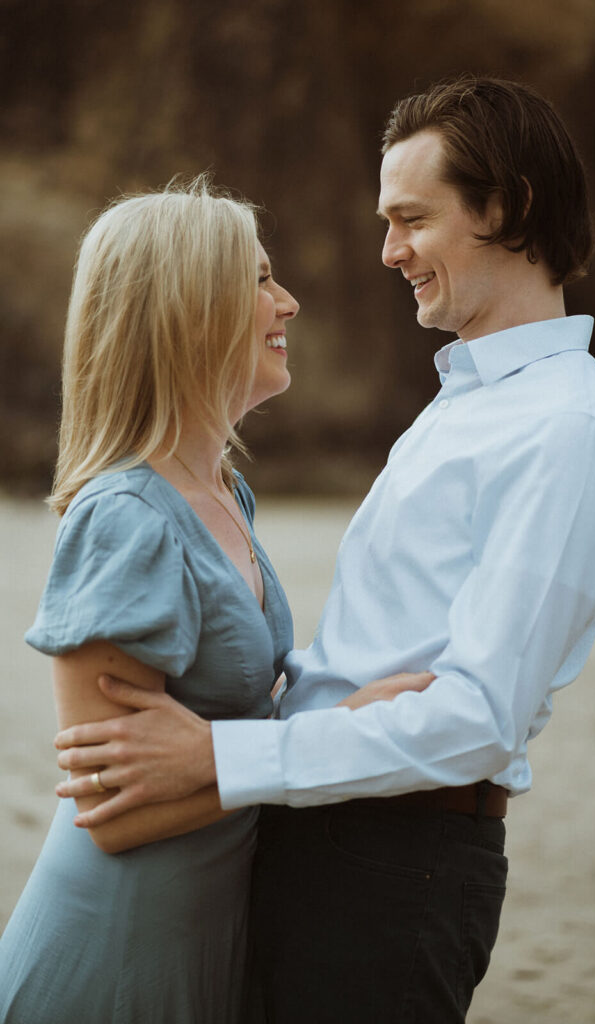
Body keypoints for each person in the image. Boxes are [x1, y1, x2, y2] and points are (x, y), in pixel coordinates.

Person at [53, 77, 595, 1023]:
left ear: (508, 208)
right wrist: (300, 703)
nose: (388, 251)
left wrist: (229, 753)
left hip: (396, 868)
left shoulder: (562, 432)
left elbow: (477, 723)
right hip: (325, 838)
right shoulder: (469, 407)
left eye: (412, 219)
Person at [0, 178, 431, 1022]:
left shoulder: (226, 491)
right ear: (186, 311)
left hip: (210, 927)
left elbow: (233, 722)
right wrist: (326, 741)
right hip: (119, 949)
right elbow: (111, 814)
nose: (289, 301)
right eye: (259, 279)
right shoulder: (126, 516)